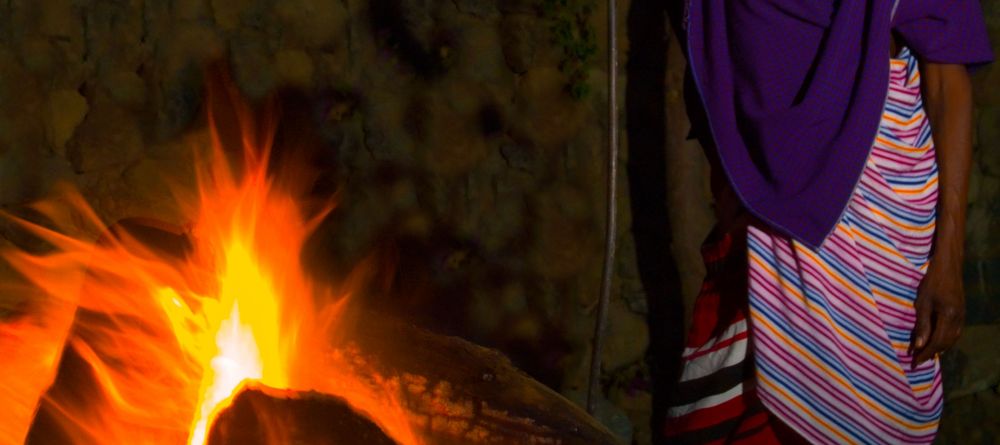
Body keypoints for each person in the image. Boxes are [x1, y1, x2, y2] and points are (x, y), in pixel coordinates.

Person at [663, 1, 994, 444]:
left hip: (879, 202)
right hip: (762, 208)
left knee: (874, 412)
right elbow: (709, 32)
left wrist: (949, 259)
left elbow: (947, 78)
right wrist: (727, 160)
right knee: (741, 420)